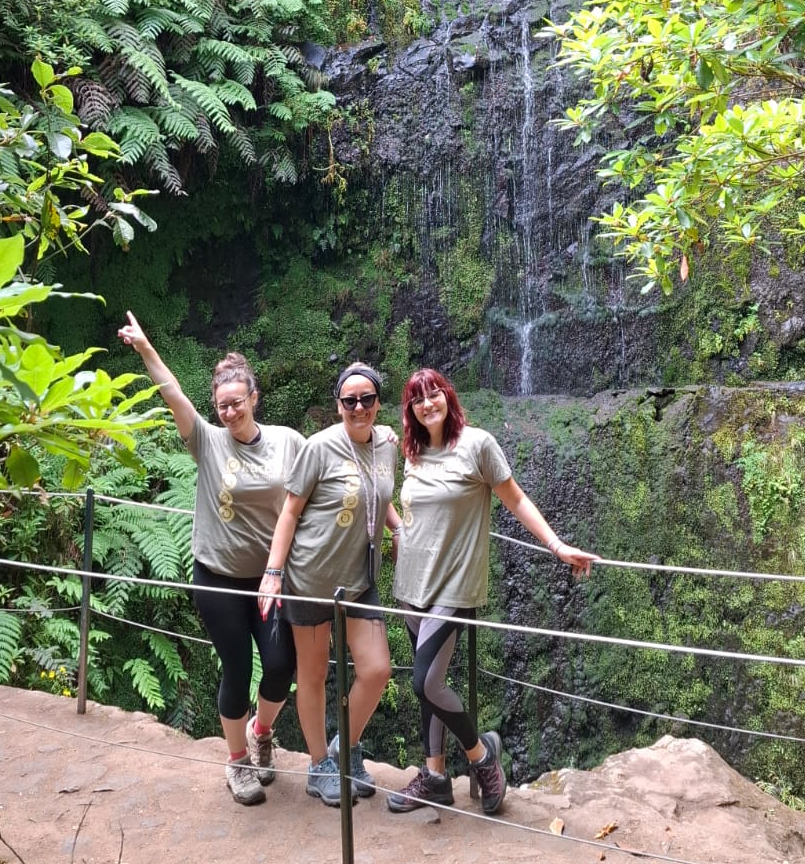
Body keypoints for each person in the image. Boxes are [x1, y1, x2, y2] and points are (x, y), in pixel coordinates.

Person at [387, 367, 597, 817]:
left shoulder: (477, 444)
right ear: (410, 409)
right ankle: (435, 777)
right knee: (428, 687)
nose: (427, 404)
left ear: (448, 396)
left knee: (425, 681)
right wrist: (397, 532)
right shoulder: (412, 451)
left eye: (434, 394)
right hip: (410, 583)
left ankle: (482, 757)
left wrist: (557, 546)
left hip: (453, 585)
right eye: (417, 399)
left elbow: (515, 498)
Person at [118, 312, 301, 807]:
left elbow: (322, 471)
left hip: (269, 578)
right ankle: (237, 761)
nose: (229, 412)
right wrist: (145, 348)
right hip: (217, 578)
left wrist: (377, 443)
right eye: (222, 405)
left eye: (237, 402)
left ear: (254, 398)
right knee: (237, 669)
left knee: (280, 664)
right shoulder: (207, 440)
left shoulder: (287, 441)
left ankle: (262, 733)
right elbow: (172, 394)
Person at [258, 362, 399, 807]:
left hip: (359, 579)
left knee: (377, 669)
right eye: (349, 400)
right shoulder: (319, 447)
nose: (359, 407)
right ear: (338, 405)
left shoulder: (387, 446)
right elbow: (290, 511)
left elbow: (380, 497)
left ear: (378, 402)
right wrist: (273, 573)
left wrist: (400, 529)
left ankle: (346, 748)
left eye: (367, 399)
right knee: (314, 674)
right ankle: (320, 765)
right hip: (310, 579)